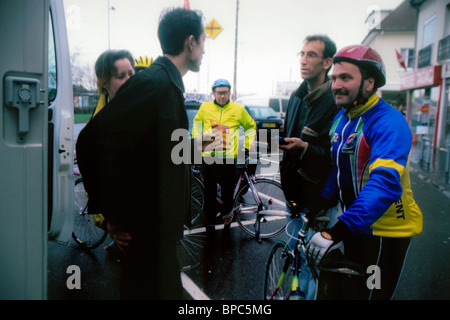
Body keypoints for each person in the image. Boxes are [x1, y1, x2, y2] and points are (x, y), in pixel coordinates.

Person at [76, 7, 207, 299]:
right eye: (203, 41)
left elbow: (157, 154)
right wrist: (112, 216)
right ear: (190, 42)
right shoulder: (154, 83)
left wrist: (194, 147)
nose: (203, 50)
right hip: (146, 235)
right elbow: (90, 141)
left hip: (159, 233)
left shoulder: (167, 85)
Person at [305, 44, 423, 300]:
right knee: (349, 291)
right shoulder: (342, 119)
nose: (336, 85)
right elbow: (339, 171)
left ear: (369, 83)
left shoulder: (389, 122)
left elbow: (384, 185)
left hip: (385, 234)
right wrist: (319, 203)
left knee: (371, 296)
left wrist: (338, 230)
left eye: (345, 77)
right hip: (355, 226)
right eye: (334, 78)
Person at [279, 34, 340, 299]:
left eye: (311, 55)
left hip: (319, 202)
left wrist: (305, 148)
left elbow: (337, 156)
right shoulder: (296, 96)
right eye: (301, 54)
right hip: (294, 196)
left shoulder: (335, 101)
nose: (303, 61)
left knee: (313, 267)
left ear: (327, 62)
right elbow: (289, 136)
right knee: (296, 259)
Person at [192, 79, 256, 237]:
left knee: (228, 196)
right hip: (209, 157)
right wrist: (198, 138)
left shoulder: (238, 109)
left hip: (228, 158)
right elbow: (197, 122)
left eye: (225, 93)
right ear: (213, 93)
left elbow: (251, 126)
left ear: (230, 93)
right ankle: (210, 226)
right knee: (209, 194)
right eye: (219, 93)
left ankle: (227, 226)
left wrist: (247, 145)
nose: (222, 96)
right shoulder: (205, 107)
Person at [92, 49, 135, 118]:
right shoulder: (97, 117)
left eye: (131, 74)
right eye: (121, 76)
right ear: (104, 83)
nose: (129, 79)